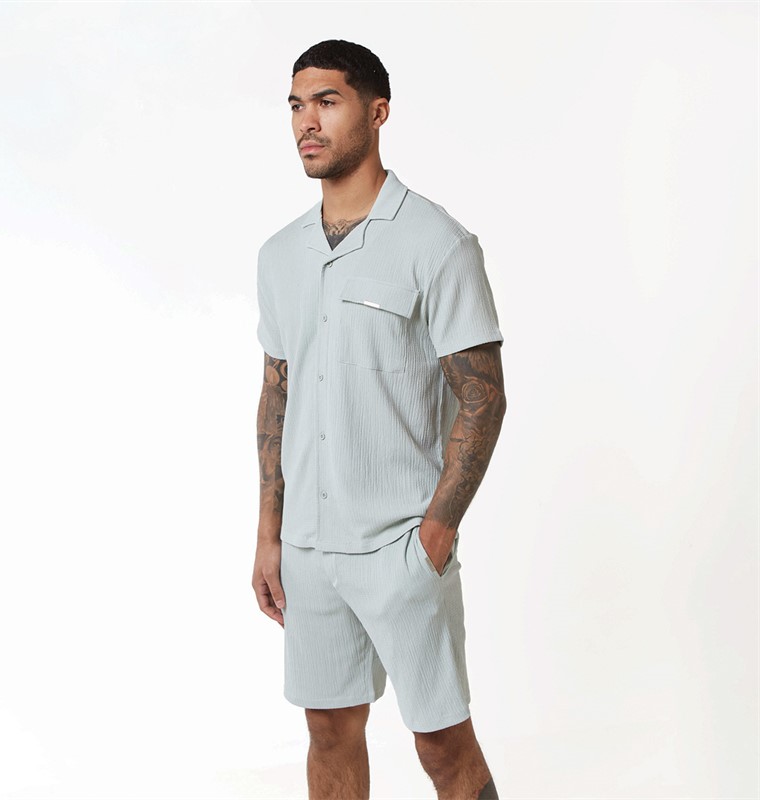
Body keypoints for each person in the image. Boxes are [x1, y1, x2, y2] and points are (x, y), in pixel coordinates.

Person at [252, 39, 506, 800]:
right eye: (296, 105)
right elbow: (277, 393)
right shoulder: (279, 255)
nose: (307, 121)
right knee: (329, 733)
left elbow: (483, 395)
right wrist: (269, 533)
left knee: (442, 746)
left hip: (401, 544)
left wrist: (437, 532)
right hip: (308, 548)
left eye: (327, 101)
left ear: (377, 111)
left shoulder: (437, 243)